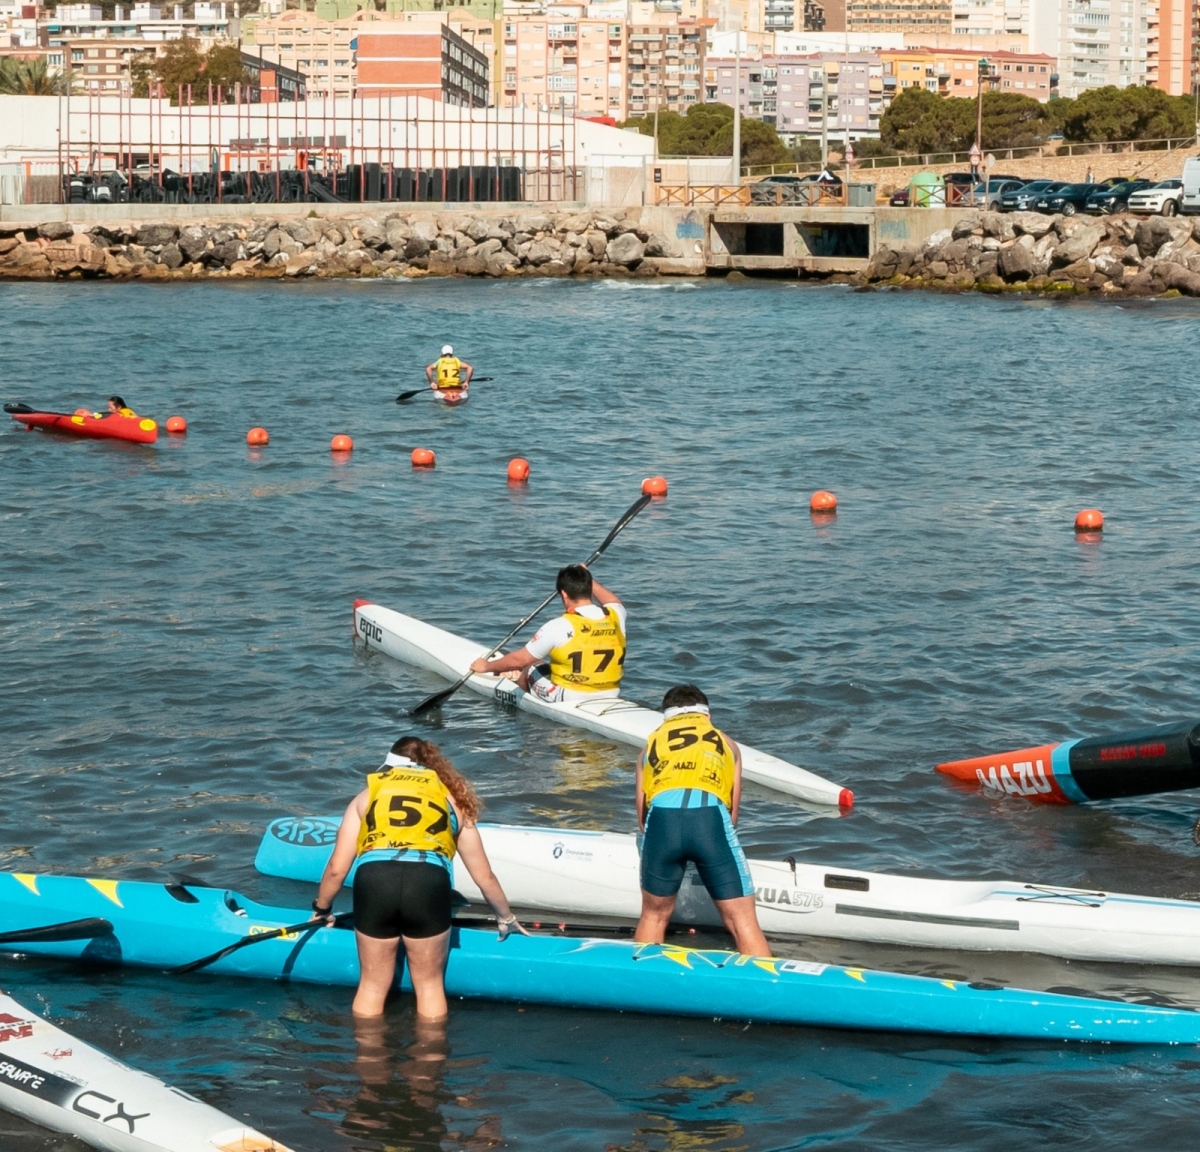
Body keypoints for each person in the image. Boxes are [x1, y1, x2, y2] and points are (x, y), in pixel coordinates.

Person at [312, 736, 527, 1020]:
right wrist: (505, 917)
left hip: (375, 880)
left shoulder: (366, 796)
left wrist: (322, 909)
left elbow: (337, 869)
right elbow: (484, 876)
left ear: (389, 766)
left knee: (372, 986)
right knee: (429, 987)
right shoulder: (454, 802)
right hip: (428, 882)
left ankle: (367, 1048)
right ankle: (431, 1048)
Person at [634, 684, 770, 958]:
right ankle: (767, 982)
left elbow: (642, 819)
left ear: (666, 717)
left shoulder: (649, 746)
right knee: (741, 920)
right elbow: (732, 815)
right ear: (707, 715)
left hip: (662, 823)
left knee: (653, 916)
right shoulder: (728, 744)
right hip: (709, 821)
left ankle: (642, 976)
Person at [469, 563, 625, 704]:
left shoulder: (559, 625)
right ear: (589, 588)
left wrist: (486, 666)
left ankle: (520, 703)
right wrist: (587, 577)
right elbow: (613, 601)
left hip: (569, 697)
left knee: (531, 667)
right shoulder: (616, 615)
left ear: (564, 594)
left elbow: (520, 660)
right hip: (611, 693)